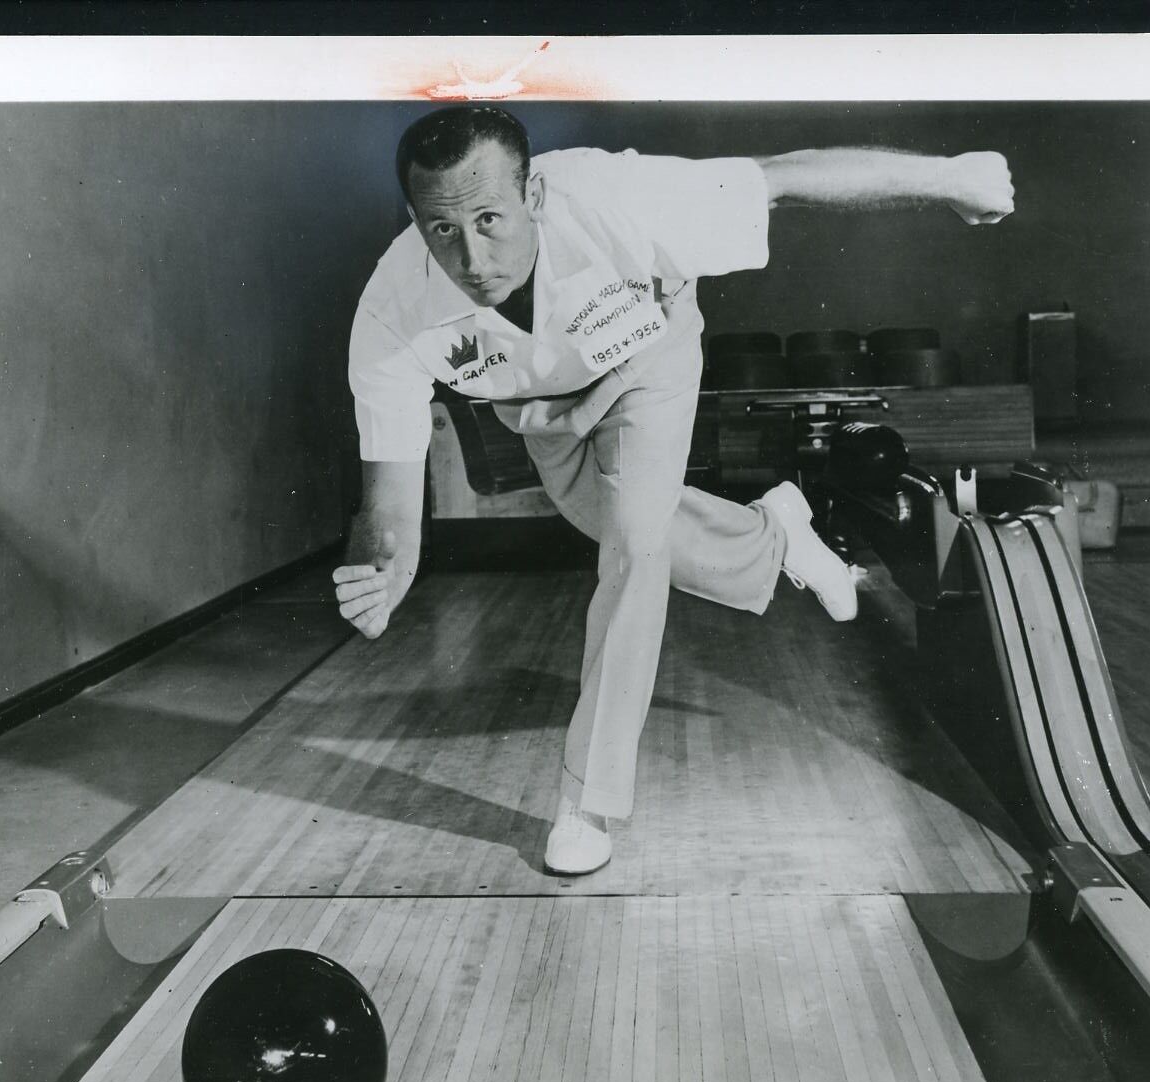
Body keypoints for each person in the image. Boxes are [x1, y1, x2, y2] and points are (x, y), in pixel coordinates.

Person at [335, 106, 1013, 876]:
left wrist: (948, 177)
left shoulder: (616, 194)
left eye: (489, 218)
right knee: (617, 522)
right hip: (543, 410)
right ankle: (775, 534)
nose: (470, 255)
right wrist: (382, 569)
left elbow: (785, 174)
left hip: (646, 362)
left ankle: (589, 801)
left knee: (635, 543)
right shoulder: (393, 305)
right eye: (441, 229)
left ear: (537, 196)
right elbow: (388, 497)